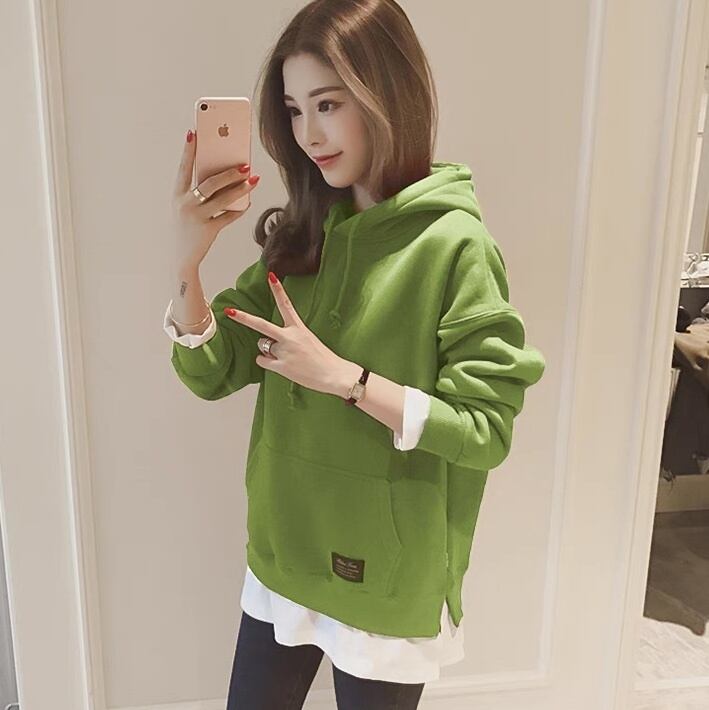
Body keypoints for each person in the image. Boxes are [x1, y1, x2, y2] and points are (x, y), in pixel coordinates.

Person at [164, 0, 547, 707]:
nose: (309, 134)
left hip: (385, 579)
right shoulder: (306, 234)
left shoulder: (454, 247)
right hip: (285, 550)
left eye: (328, 104)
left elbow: (484, 431)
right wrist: (187, 261)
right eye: (293, 110)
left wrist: (346, 380)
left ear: (386, 94)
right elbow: (211, 372)